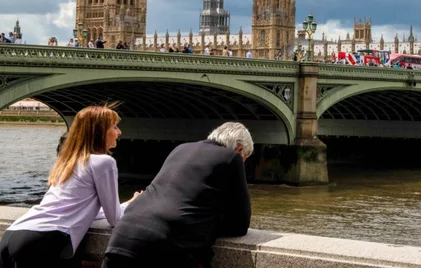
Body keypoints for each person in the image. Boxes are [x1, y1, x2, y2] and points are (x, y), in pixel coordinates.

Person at [0, 105, 139, 268]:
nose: (119, 132)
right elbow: (114, 219)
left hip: (14, 234)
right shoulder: (104, 162)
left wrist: (125, 204)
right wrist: (133, 206)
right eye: (114, 127)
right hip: (44, 240)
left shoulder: (68, 162)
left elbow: (76, 208)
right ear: (100, 132)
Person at [102, 122, 253, 268]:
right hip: (165, 246)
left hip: (122, 237)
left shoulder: (181, 148)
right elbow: (239, 224)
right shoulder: (232, 157)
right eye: (245, 158)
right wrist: (210, 221)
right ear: (239, 149)